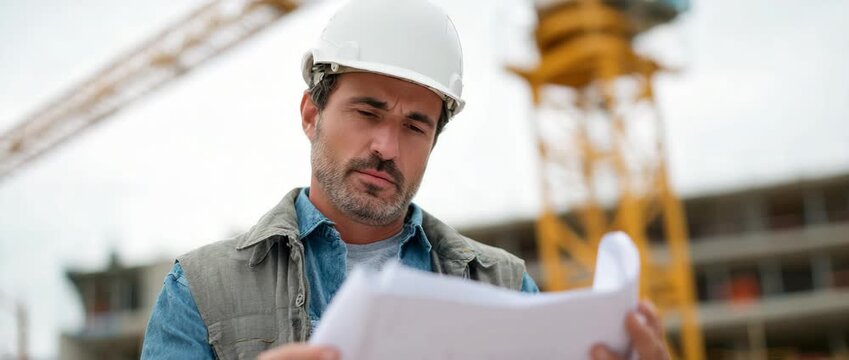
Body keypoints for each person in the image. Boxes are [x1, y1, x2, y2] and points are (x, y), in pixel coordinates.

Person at [141, 0, 670, 359]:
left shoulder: (504, 286)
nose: (386, 148)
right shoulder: (200, 291)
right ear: (310, 113)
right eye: (367, 113)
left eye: (415, 126)